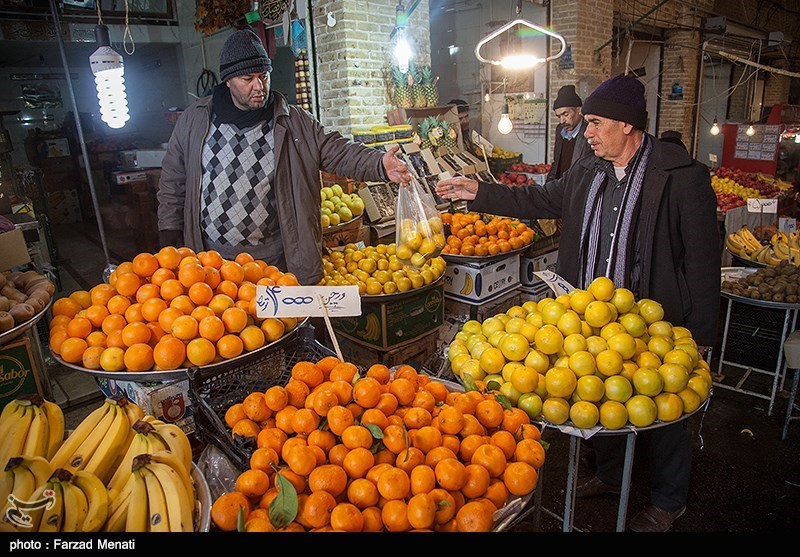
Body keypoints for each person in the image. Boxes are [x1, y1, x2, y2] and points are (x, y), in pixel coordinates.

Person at [436, 73, 720, 532]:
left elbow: (704, 263)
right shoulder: (588, 170)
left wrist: (703, 336)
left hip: (654, 321)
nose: (585, 132)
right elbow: (541, 197)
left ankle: (669, 500)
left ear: (627, 125)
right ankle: (609, 476)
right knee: (601, 394)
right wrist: (478, 191)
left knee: (666, 409)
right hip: (587, 316)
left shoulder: (680, 177)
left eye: (594, 122)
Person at [157, 28, 410, 285]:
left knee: (281, 325)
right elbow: (173, 180)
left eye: (264, 76)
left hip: (274, 262)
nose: (260, 86)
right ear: (228, 81)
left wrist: (378, 163)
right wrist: (170, 231)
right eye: (248, 79)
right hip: (210, 264)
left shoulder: (295, 123)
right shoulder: (196, 120)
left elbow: (338, 150)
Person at [547, 85, 591, 181]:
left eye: (565, 114)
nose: (562, 121)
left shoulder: (589, 131)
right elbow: (556, 162)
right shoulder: (560, 130)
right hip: (559, 187)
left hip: (578, 187)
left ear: (579, 110)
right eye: (559, 116)